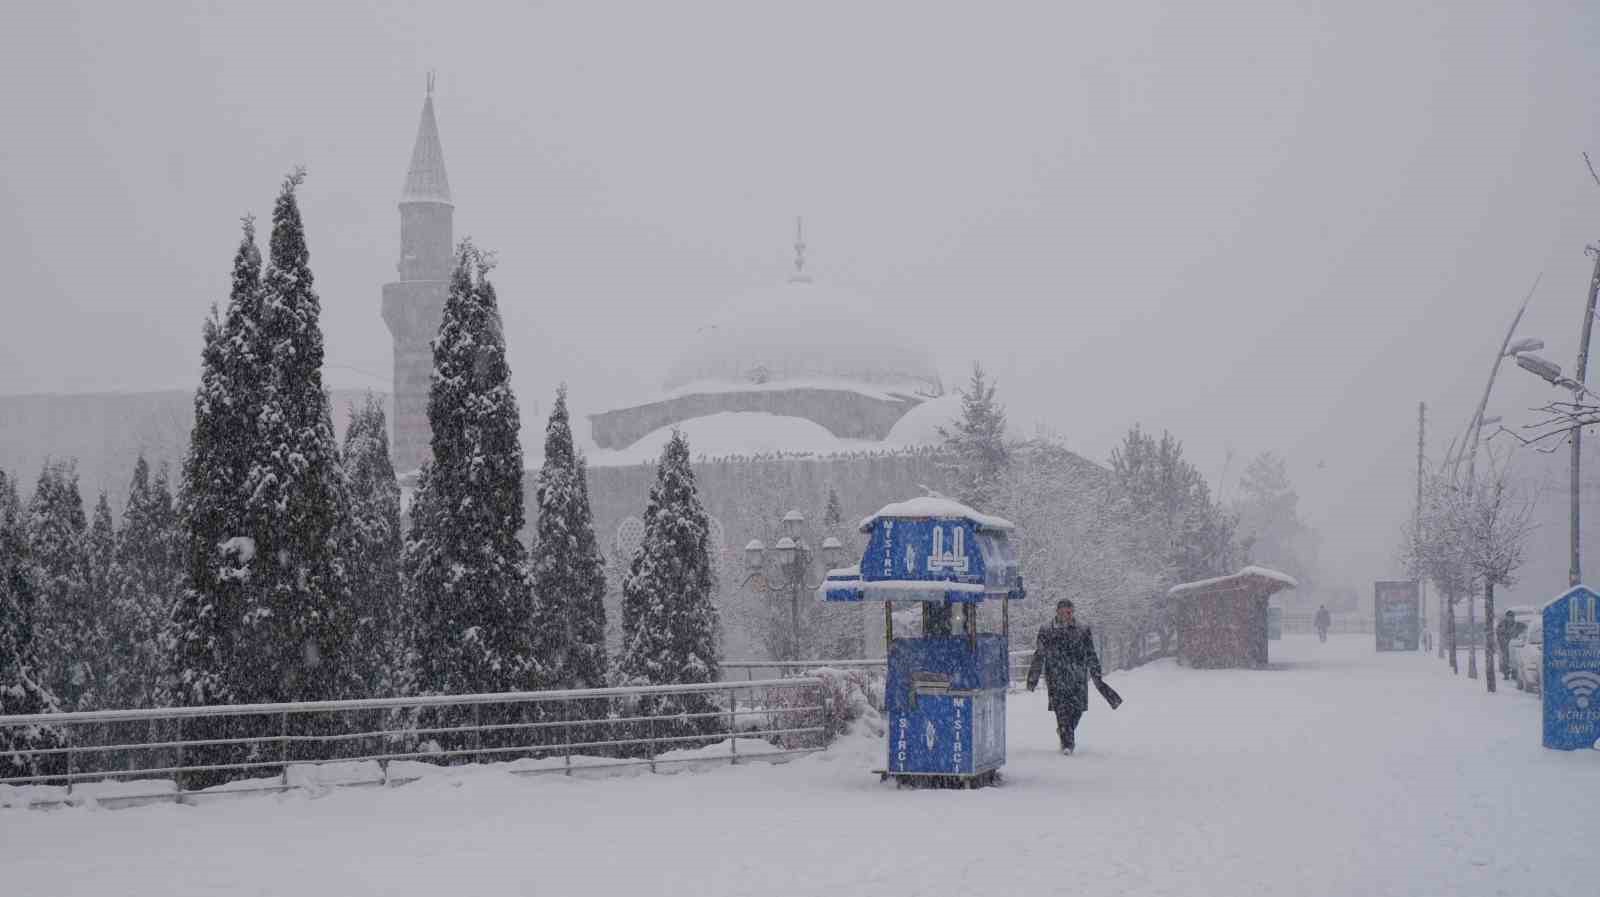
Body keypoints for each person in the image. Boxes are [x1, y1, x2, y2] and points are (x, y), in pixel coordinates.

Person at [1026, 599, 1103, 755]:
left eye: (1069, 612)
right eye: (1064, 612)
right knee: (1061, 710)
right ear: (1058, 612)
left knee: (1077, 710)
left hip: (1077, 677)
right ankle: (1068, 743)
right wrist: (1033, 677)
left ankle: (1065, 731)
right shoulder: (1047, 630)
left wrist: (1096, 672)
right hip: (1056, 677)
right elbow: (1039, 654)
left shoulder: (1083, 629)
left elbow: (1091, 653)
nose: (1067, 615)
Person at [1495, 610, 1525, 681]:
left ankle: (1514, 674)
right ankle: (1506, 674)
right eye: (1509, 617)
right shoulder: (1501, 624)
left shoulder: (1518, 625)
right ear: (1506, 617)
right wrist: (1503, 641)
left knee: (1514, 660)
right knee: (1505, 660)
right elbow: (1498, 634)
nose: (1510, 618)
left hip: (1514, 646)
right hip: (1504, 645)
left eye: (1512, 617)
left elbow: (1524, 630)